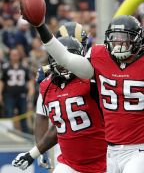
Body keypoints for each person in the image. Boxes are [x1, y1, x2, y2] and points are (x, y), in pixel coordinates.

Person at [21, 4, 144, 172]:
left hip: (143, 149)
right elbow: (65, 58)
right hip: (111, 151)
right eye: (114, 38)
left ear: (137, 39)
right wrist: (40, 26)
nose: (118, 44)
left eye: (124, 38)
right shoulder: (99, 56)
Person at [12, 36, 107, 173]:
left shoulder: (91, 82)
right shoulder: (46, 86)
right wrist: (33, 153)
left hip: (102, 161)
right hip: (69, 164)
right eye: (59, 59)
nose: (63, 64)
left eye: (68, 58)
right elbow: (59, 125)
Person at [0, 48, 34, 133]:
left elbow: (29, 80)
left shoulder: (24, 67)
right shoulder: (5, 67)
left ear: (19, 56)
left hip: (22, 95)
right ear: (10, 56)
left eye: (16, 54)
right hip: (9, 95)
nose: (14, 56)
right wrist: (0, 94)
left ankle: (26, 138)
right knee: (9, 115)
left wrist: (30, 92)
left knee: (23, 115)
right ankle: (10, 136)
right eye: (13, 54)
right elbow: (2, 81)